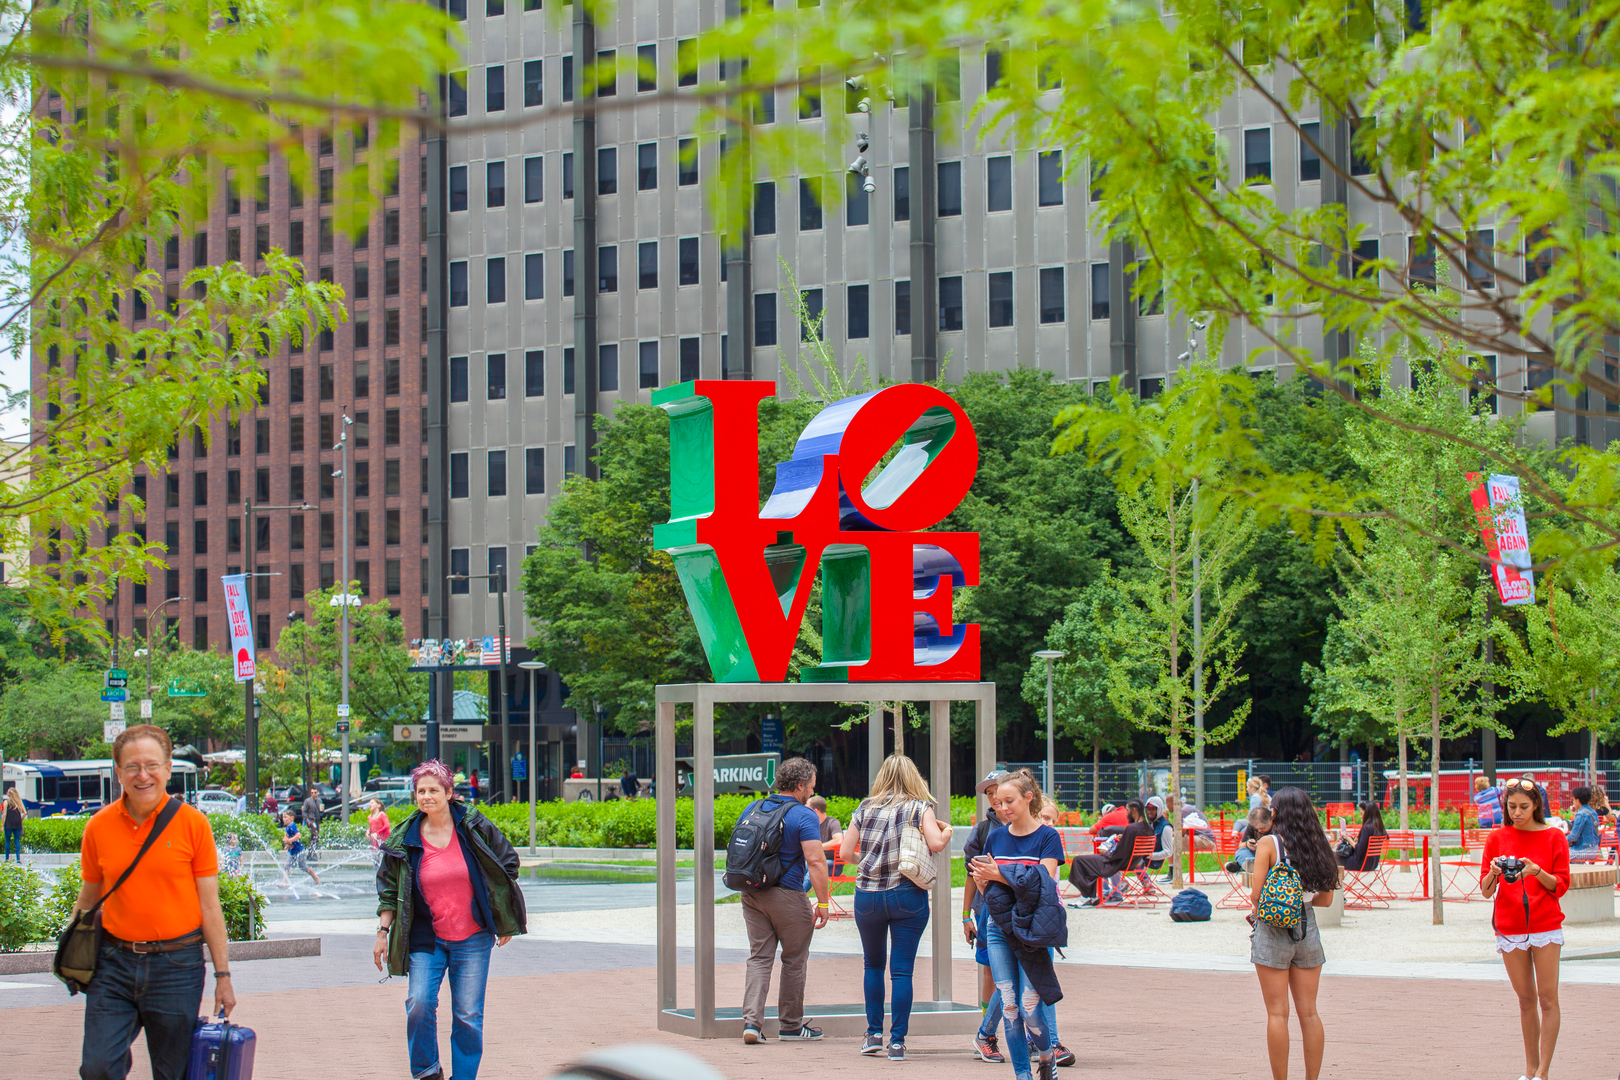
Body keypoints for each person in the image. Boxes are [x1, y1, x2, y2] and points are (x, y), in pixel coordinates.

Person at [74, 724, 234, 1080]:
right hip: (113, 964)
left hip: (177, 967)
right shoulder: (98, 827)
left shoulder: (193, 825)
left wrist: (223, 976)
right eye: (132, 767)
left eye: (151, 765)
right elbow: (88, 899)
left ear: (168, 769)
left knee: (172, 1073)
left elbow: (209, 906)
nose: (142, 775)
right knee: (98, 1067)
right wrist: (74, 952)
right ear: (118, 772)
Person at [375, 759, 527, 1080]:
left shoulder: (472, 825)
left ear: (448, 792)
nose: (426, 796)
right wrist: (382, 932)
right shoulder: (405, 839)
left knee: (468, 1015)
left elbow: (507, 864)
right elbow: (389, 890)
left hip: (473, 937)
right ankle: (428, 1072)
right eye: (420, 791)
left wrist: (497, 910)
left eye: (433, 790)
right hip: (425, 938)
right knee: (418, 1005)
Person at [840, 753, 952, 1061]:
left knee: (872, 965)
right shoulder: (920, 807)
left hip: (867, 896)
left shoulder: (865, 807)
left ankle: (873, 1034)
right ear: (914, 777)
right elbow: (937, 844)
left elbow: (846, 851)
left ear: (882, 777)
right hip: (906, 894)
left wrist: (868, 862)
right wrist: (945, 831)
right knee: (902, 972)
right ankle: (898, 1042)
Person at [968, 770, 1067, 1080]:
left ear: (1028, 798)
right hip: (999, 927)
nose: (1003, 808)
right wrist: (998, 880)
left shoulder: (1047, 836)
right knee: (1010, 1006)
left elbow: (1045, 882)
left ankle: (1047, 1055)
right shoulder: (996, 837)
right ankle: (1022, 1075)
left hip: (1032, 931)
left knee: (1029, 1005)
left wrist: (1000, 876)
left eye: (1009, 801)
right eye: (999, 802)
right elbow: (987, 885)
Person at [736, 756, 831, 1045]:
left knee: (759, 958)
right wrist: (824, 904)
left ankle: (752, 1024)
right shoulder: (804, 815)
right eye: (811, 788)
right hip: (787, 894)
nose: (813, 793)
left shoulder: (754, 807)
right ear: (800, 785)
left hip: (751, 893)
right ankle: (790, 1025)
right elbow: (815, 861)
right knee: (794, 959)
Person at [1481, 776, 1570, 1080]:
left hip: (1545, 924)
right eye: (1511, 806)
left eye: (1523, 806)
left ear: (1536, 807)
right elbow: (1484, 890)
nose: (1517, 812)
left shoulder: (1554, 836)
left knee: (1547, 998)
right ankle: (1530, 1070)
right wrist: (1494, 873)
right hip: (1509, 927)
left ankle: (1543, 1072)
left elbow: (1560, 886)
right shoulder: (1495, 838)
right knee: (1525, 1000)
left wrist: (1535, 871)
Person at [1249, 786, 1340, 1080]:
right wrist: (1300, 900)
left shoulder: (1269, 844)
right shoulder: (1318, 844)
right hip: (1307, 926)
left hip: (1274, 929)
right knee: (1310, 1013)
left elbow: (1256, 895)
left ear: (1276, 812)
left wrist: (1280, 902)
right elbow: (1326, 900)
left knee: (1277, 1014)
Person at [963, 770, 1012, 1063]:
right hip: (987, 911)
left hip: (1020, 910)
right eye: (989, 793)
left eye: (997, 790)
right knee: (990, 972)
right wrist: (965, 916)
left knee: (1022, 973)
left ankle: (1034, 1036)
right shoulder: (983, 830)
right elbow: (971, 874)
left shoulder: (1030, 825)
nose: (993, 797)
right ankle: (988, 1034)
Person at [1067, 800, 1153, 904]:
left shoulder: (1131, 828)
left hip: (1115, 864)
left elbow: (1117, 854)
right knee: (1088, 861)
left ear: (1134, 811)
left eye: (1128, 810)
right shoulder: (1149, 828)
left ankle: (1087, 896)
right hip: (1133, 862)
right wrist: (1124, 838)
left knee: (1079, 860)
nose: (1126, 814)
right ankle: (1091, 895)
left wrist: (1105, 852)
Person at [1335, 802, 1386, 872]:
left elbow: (1359, 849)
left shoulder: (1366, 828)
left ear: (1368, 813)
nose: (1361, 816)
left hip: (1359, 863)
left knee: (1331, 856)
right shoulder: (1379, 828)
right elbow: (1364, 844)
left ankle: (1332, 881)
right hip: (1373, 864)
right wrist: (1354, 838)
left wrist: (1349, 839)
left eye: (1361, 813)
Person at [805, 795, 843, 884]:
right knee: (797, 869)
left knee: (813, 869)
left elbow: (839, 840)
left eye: (807, 809)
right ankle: (792, 896)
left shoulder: (832, 823)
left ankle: (798, 897)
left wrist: (819, 847)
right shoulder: (811, 825)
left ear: (815, 811)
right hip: (816, 860)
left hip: (834, 865)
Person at [279, 809, 322, 887]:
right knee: (287, 865)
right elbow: (289, 838)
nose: (283, 819)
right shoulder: (287, 827)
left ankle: (316, 878)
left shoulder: (292, 826)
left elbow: (298, 836)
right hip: (292, 851)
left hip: (299, 851)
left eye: (285, 817)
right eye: (283, 817)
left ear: (292, 818)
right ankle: (284, 883)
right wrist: (288, 844)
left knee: (303, 867)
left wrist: (289, 840)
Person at [1227, 806, 1274, 874]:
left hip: (1269, 856)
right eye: (1257, 829)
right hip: (1255, 856)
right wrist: (1247, 844)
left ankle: (1241, 867)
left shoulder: (1276, 827)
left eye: (1262, 828)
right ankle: (1250, 866)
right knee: (1241, 851)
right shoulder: (1252, 826)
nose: (1259, 831)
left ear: (1270, 820)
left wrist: (1263, 845)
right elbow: (1241, 845)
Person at [1565, 786, 1602, 861]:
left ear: (1578, 801)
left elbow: (1574, 836)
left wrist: (1560, 839)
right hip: (1594, 849)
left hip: (1584, 850)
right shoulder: (1593, 812)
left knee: (1558, 855)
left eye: (1574, 800)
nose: (1573, 802)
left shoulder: (1581, 814)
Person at [1144, 796, 1173, 873]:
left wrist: (1148, 856)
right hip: (1141, 857)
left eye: (1153, 809)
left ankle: (1146, 883)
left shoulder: (1165, 827)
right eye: (1148, 809)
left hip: (1153, 861)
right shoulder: (1149, 824)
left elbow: (1168, 852)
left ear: (1159, 809)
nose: (1150, 812)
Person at [367, 797, 393, 866]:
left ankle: (386, 874)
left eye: (372, 803)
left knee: (385, 860)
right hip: (375, 842)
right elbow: (372, 826)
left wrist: (377, 833)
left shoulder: (382, 814)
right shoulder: (369, 817)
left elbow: (387, 825)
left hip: (385, 841)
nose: (370, 805)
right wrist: (368, 831)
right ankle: (379, 875)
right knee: (375, 860)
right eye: (369, 803)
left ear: (378, 805)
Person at [3, 786, 23, 861]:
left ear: (10, 794)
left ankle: (7, 859)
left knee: (7, 840)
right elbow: (24, 813)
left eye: (7, 792)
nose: (6, 793)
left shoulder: (6, 802)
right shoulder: (19, 802)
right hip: (17, 823)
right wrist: (21, 820)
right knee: (16, 840)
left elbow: (4, 814)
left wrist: (2, 825)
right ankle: (18, 859)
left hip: (8, 823)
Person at [302, 787, 323, 852]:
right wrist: (307, 820)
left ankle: (312, 848)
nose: (313, 794)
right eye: (312, 793)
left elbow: (321, 811)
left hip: (317, 819)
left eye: (315, 792)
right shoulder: (308, 801)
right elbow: (304, 811)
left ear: (318, 793)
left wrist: (322, 811)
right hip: (311, 819)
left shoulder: (319, 800)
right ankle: (312, 848)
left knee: (316, 834)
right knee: (315, 833)